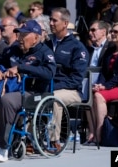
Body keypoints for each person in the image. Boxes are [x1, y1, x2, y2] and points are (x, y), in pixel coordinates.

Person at [0, 19, 56, 162]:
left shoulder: (45, 52)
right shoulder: (12, 50)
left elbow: (49, 73)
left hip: (34, 93)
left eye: (24, 35)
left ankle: (2, 146)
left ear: (36, 38)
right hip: (9, 88)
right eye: (19, 34)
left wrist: (21, 68)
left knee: (7, 100)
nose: (19, 38)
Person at [45, 7, 89, 149]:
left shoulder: (77, 47)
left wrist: (53, 87)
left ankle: (54, 140)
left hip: (72, 91)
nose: (51, 23)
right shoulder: (46, 44)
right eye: (50, 20)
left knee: (53, 97)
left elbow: (76, 79)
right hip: (47, 87)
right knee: (28, 96)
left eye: (54, 20)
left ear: (65, 23)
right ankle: (28, 139)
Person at [84, 21, 118, 145]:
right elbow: (104, 73)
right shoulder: (110, 51)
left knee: (99, 96)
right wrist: (99, 84)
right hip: (110, 85)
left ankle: (100, 135)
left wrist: (105, 86)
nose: (113, 34)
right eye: (112, 31)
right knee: (90, 93)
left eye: (116, 32)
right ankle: (92, 133)